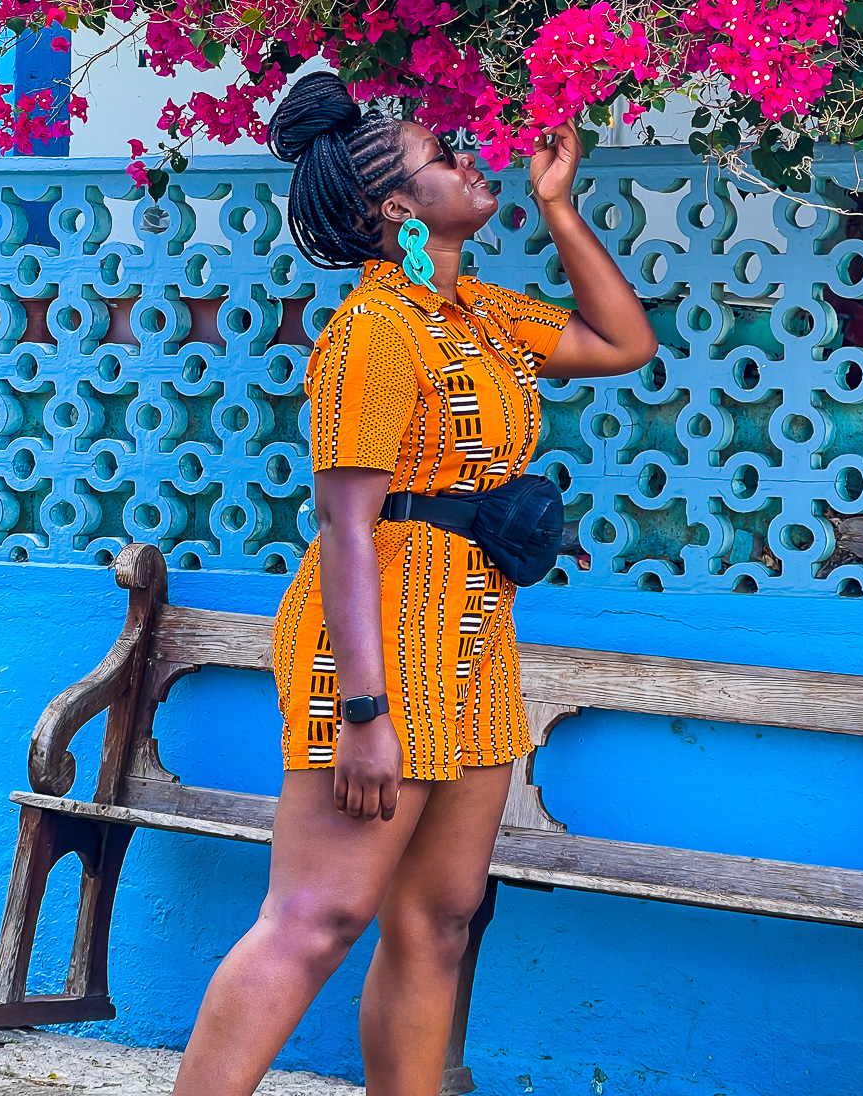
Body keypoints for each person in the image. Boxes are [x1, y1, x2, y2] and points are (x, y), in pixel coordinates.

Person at [173, 71, 657, 1096]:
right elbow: (347, 525)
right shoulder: (373, 331)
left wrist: (559, 206)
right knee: (317, 917)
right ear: (396, 207)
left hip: (473, 638)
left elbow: (624, 342)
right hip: (375, 644)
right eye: (444, 156)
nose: (471, 160)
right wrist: (363, 712)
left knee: (439, 920)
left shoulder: (478, 313)